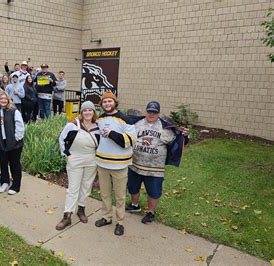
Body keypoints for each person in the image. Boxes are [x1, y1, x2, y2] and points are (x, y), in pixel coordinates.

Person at [125, 101, 189, 224]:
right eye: (149, 111)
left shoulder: (165, 128)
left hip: (155, 168)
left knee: (153, 191)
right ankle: (134, 205)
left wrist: (184, 136)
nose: (151, 114)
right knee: (133, 187)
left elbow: (178, 142)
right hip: (135, 165)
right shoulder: (136, 123)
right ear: (145, 111)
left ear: (158, 113)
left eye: (154, 112)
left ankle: (150, 212)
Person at [94, 91, 137, 236]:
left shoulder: (126, 119)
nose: (107, 104)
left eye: (109, 101)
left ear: (115, 102)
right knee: (105, 194)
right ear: (101, 105)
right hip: (102, 163)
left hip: (119, 165)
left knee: (119, 196)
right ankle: (106, 217)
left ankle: (120, 222)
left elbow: (131, 141)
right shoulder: (99, 119)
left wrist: (112, 133)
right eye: (104, 102)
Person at [56, 101, 100, 230]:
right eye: (85, 110)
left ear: (94, 112)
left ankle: (81, 209)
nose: (87, 112)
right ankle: (67, 216)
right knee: (73, 189)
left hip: (91, 160)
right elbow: (62, 139)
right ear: (81, 112)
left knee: (86, 187)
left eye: (90, 110)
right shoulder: (73, 125)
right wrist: (67, 155)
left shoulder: (98, 127)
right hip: (75, 159)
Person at [0, 93, 25, 195]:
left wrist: (16, 139)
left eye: (5, 99)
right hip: (2, 142)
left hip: (14, 142)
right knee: (3, 162)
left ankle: (16, 186)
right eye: (1, 98)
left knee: (14, 164)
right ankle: (4, 182)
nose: (3, 100)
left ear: (8, 100)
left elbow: (20, 127)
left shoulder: (13, 111)